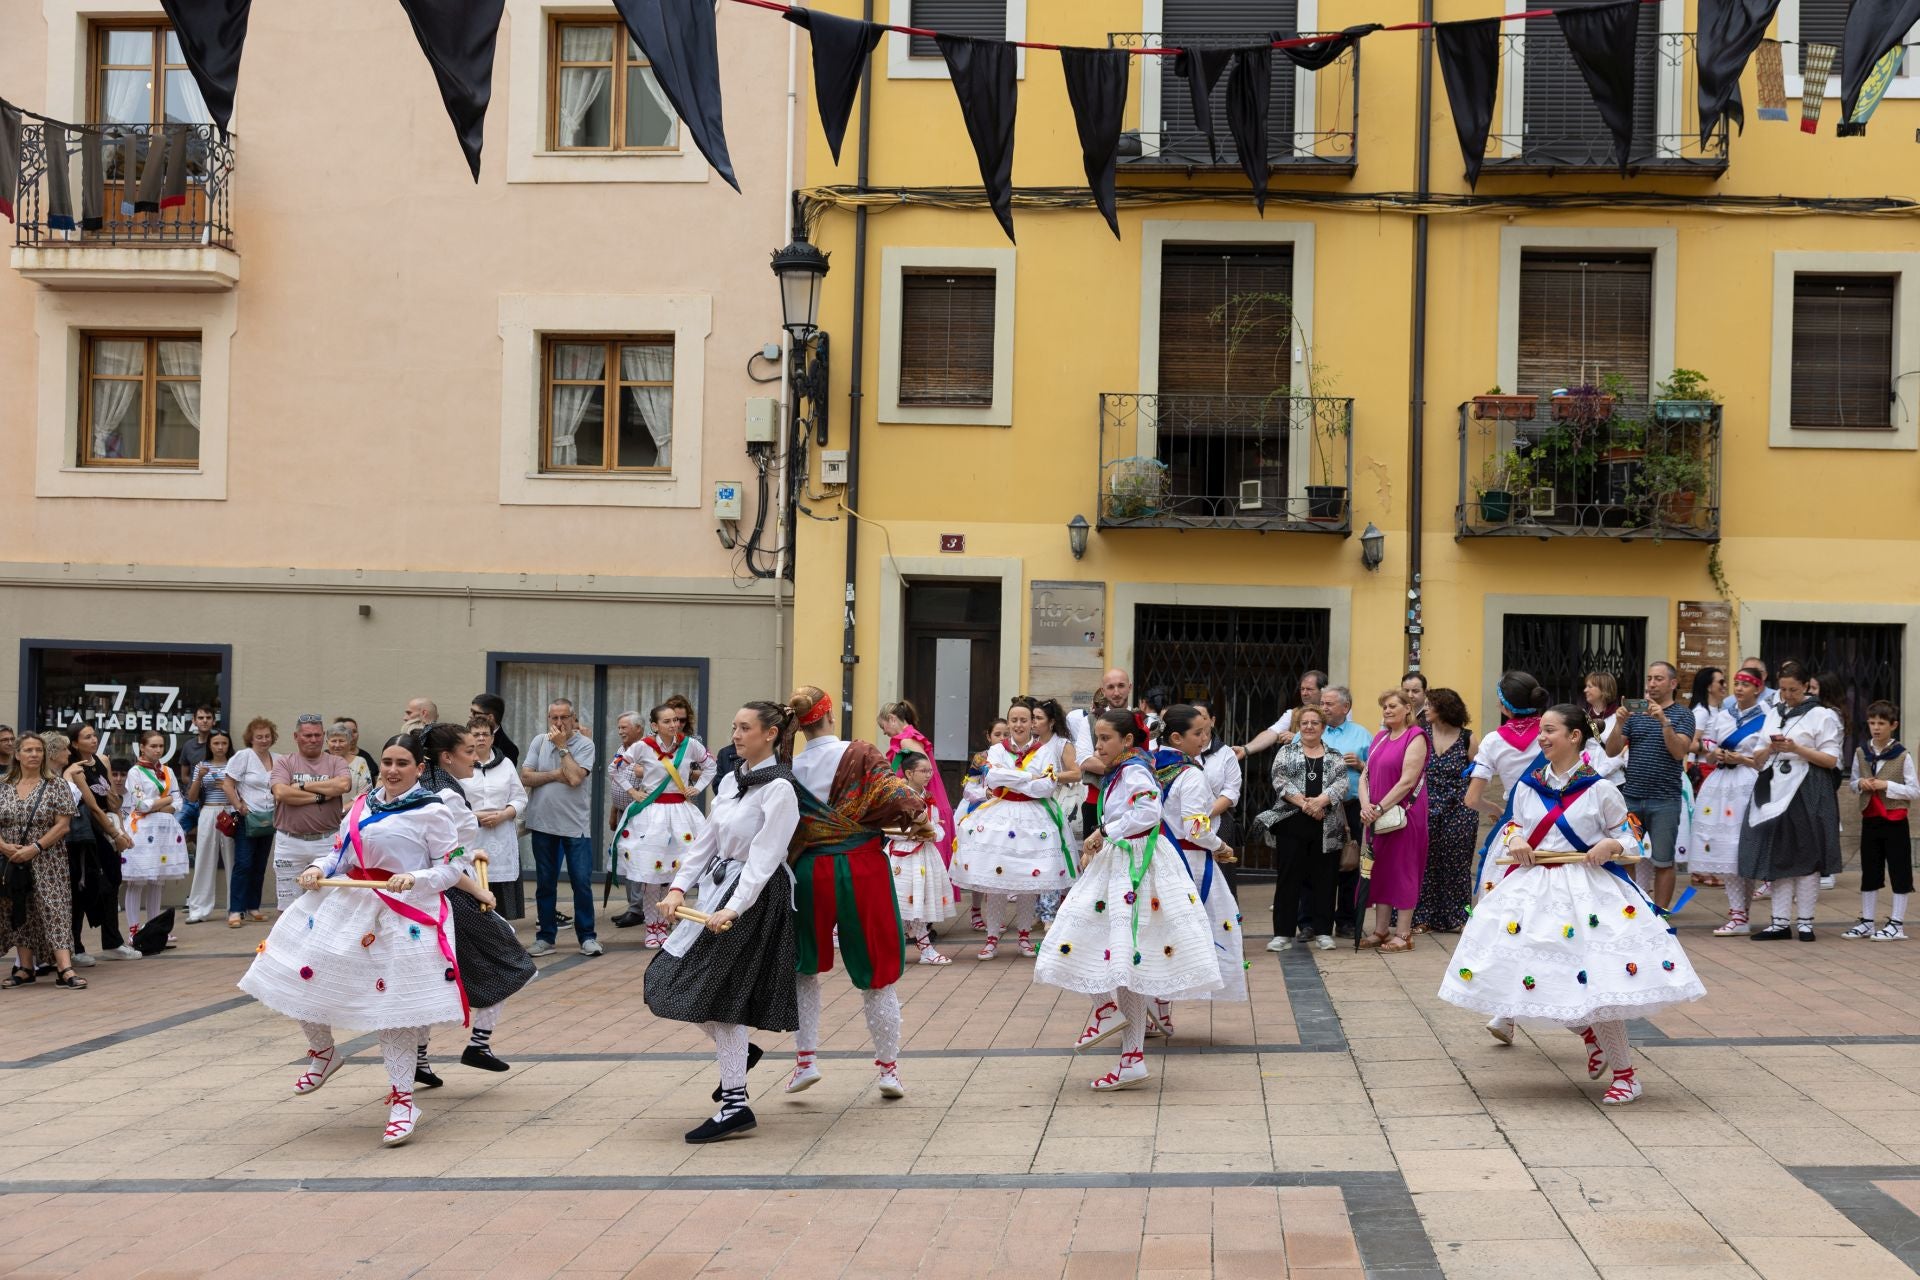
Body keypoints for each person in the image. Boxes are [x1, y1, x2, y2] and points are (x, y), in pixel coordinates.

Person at [1438, 704, 1705, 1106]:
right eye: (1541, 731)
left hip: (1588, 897)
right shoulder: (1529, 786)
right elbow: (1514, 825)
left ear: (1574, 736)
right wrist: (1515, 840)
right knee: (1539, 980)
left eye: (1550, 730)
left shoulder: (1600, 789)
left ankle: (1626, 1076)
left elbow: (1631, 839)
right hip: (1533, 895)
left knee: (1601, 989)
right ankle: (1589, 1035)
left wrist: (1610, 844)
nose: (1542, 737)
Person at [237, 733, 472, 1147]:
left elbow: (452, 867)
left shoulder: (433, 810)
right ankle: (324, 1052)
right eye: (387, 762)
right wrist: (318, 868)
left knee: (394, 1011)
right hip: (354, 902)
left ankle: (403, 1102)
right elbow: (340, 853)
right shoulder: (363, 804)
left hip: (405, 914)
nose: (393, 770)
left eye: (402, 763)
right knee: (299, 970)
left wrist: (414, 878)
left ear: (420, 768)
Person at [1039, 710, 1222, 1089]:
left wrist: (1104, 831)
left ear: (1126, 740)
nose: (1099, 745)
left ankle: (1113, 1022)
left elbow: (1149, 812)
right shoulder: (1123, 770)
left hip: (1134, 865)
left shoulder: (1135, 769)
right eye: (1097, 737)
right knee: (1116, 958)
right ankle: (1128, 1052)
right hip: (1121, 862)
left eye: (1106, 738)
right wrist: (1104, 836)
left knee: (1082, 940)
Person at [646, 703, 802, 1143]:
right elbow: (706, 841)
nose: (735, 734)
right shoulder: (732, 780)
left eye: (745, 728)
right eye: (734, 727)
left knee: (721, 996)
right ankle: (739, 1055)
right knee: (665, 980)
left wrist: (735, 907)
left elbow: (766, 858)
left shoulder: (780, 789)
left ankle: (735, 1105)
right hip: (721, 890)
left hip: (755, 898)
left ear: (770, 734)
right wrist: (678, 887)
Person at [783, 685, 921, 1099]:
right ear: (830, 716)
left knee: (804, 967)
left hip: (810, 869)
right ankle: (889, 1070)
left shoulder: (789, 766)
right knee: (877, 971)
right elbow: (900, 797)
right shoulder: (860, 752)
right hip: (862, 866)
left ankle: (805, 1060)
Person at [415, 723, 537, 1083]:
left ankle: (425, 1057)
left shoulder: (429, 787)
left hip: (431, 892)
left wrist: (470, 853)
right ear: (446, 757)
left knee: (433, 977)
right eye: (468, 751)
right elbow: (443, 858)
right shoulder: (447, 796)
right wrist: (477, 888)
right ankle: (478, 1043)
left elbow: (446, 848)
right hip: (451, 894)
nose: (476, 756)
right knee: (513, 962)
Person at [1464, 671, 1551, 1046]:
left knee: (1507, 921)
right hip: (1555, 833)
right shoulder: (1555, 731)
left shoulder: (1493, 741)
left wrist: (1495, 809)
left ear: (1503, 705)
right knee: (1550, 920)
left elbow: (1471, 798)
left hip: (1513, 836)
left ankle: (1507, 1011)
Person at [952, 698, 1075, 959]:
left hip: (1034, 818)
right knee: (997, 882)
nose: (1019, 725)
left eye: (1024, 720)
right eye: (1014, 720)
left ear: (1032, 723)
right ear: (1008, 723)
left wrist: (1015, 779)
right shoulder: (997, 750)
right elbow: (993, 777)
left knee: (1028, 882)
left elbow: (1046, 786)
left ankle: (1024, 937)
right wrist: (1029, 777)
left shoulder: (1044, 750)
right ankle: (992, 938)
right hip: (1001, 816)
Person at [1742, 662, 1845, 941]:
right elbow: (1757, 758)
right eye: (1783, 690)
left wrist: (1797, 748)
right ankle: (1779, 923)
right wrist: (1769, 748)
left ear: (1806, 686)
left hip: (1808, 788)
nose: (1787, 695)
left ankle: (1806, 923)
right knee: (1779, 854)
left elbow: (1831, 760)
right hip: (1775, 787)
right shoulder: (1773, 713)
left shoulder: (1821, 715)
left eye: (1794, 690)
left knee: (1807, 855)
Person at [1155, 705, 1246, 1020]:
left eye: (1205, 732)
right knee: (1195, 931)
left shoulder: (1150, 765)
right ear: (1176, 738)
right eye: (1198, 733)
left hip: (1158, 857)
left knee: (1160, 932)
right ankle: (1162, 1006)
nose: (1204, 738)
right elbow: (1196, 827)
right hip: (1189, 861)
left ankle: (1156, 1007)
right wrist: (1220, 845)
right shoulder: (1190, 774)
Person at [615, 703, 716, 948]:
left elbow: (711, 766)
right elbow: (614, 768)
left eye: (676, 720)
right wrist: (632, 792)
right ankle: (653, 927)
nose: (673, 725)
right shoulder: (643, 746)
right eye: (667, 721)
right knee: (652, 877)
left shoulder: (689, 745)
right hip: (653, 815)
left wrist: (697, 788)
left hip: (681, 815)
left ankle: (667, 925)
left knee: (676, 874)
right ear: (654, 725)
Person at [1693, 670, 1778, 935]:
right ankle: (1738, 914)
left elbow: (1766, 759)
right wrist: (1716, 753)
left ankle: (1745, 914)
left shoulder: (1767, 717)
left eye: (1745, 685)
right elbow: (1707, 754)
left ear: (1758, 689)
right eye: (1737, 684)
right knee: (1727, 849)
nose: (1739, 689)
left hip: (1749, 783)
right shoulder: (1723, 716)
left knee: (1745, 847)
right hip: (1721, 784)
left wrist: (1740, 759)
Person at [1257, 706, 1347, 952]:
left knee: (1326, 879)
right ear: (1298, 726)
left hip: (1326, 825)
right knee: (1289, 879)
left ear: (1323, 727)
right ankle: (1282, 934)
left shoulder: (1334, 755)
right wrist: (1306, 804)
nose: (1309, 727)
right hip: (1291, 823)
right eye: (1304, 723)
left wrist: (1321, 801)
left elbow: (1342, 782)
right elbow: (1279, 780)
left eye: (1314, 723)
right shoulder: (1286, 752)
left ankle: (1323, 932)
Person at [1, 732, 84, 990]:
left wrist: (35, 848)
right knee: (19, 909)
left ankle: (64, 968)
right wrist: (4, 847)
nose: (34, 754)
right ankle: (25, 968)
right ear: (17, 755)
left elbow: (63, 825)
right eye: (28, 750)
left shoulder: (56, 785)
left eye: (39, 750)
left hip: (48, 860)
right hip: (12, 860)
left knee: (55, 910)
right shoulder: (3, 785)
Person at [520, 698, 599, 957]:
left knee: (581, 882)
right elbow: (526, 776)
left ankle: (587, 937)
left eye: (564, 717)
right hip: (543, 824)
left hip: (575, 827)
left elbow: (575, 778)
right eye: (554, 717)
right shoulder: (539, 741)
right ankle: (545, 938)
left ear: (573, 719)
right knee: (545, 883)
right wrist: (556, 774)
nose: (558, 722)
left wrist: (563, 748)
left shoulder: (585, 744)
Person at [1357, 690, 1430, 952]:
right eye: (1384, 707)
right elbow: (1365, 776)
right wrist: (1366, 805)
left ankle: (1404, 934)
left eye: (1392, 706)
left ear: (1408, 708)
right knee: (1381, 869)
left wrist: (1379, 807)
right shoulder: (1379, 738)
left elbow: (1407, 781)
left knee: (1403, 870)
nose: (1387, 711)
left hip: (1404, 816)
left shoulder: (1416, 737)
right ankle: (1380, 930)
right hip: (1376, 816)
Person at [1845, 699, 1915, 941]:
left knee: (1899, 869)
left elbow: (1914, 790)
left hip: (1895, 818)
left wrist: (1887, 785)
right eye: (1872, 723)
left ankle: (1897, 923)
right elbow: (1853, 783)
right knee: (1870, 869)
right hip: (1871, 817)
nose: (1876, 728)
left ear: (1893, 725)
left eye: (1881, 723)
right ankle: (1867, 921)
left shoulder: (1902, 755)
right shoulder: (1861, 753)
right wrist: (1860, 784)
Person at [269, 715, 354, 913]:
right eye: (307, 735)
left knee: (328, 903)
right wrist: (321, 796)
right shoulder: (284, 762)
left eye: (317, 735)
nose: (313, 740)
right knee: (288, 906)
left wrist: (300, 786)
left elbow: (343, 785)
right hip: (289, 842)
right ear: (296, 737)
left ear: (323, 736)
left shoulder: (336, 762)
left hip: (327, 842)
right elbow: (281, 792)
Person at [66, 723, 134, 960]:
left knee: (113, 880)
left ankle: (112, 941)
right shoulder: (74, 768)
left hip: (109, 825)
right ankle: (75, 946)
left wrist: (122, 830)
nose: (93, 740)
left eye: (94, 735)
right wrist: (115, 834)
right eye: (87, 737)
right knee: (82, 886)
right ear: (75, 743)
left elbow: (113, 800)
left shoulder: (102, 760)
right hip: (87, 831)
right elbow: (92, 806)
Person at [1414, 689, 1476, 934]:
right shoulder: (1420, 734)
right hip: (1425, 806)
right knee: (1424, 862)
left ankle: (1458, 917)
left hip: (1459, 809)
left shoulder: (1467, 738)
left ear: (1444, 709)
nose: (1425, 709)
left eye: (1430, 705)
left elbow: (1478, 774)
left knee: (1457, 864)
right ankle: (1422, 917)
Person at [889, 750, 955, 964]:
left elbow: (936, 825)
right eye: (923, 771)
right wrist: (919, 833)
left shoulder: (927, 797)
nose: (928, 775)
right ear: (909, 773)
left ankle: (920, 949)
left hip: (924, 856)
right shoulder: (899, 795)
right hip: (903, 857)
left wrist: (933, 834)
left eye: (930, 771)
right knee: (901, 902)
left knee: (918, 901)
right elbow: (890, 828)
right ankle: (909, 949)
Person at [121, 729, 188, 934]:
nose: (158, 750)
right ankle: (133, 930)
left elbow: (179, 801)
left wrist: (161, 805)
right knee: (137, 880)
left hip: (164, 828)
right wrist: (167, 800)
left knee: (157, 880)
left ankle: (154, 930)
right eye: (153, 746)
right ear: (142, 747)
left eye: (161, 746)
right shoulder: (135, 772)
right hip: (142, 829)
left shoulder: (168, 771)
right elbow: (141, 805)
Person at [879, 699, 955, 876]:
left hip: (921, 804)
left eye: (883, 727)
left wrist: (901, 784)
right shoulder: (909, 738)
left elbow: (924, 770)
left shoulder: (906, 741)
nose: (884, 732)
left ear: (892, 719)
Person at [465, 716, 529, 919]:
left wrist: (503, 815)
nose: (481, 738)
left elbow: (520, 798)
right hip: (472, 834)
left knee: (501, 893)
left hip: (501, 833)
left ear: (492, 738)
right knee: (473, 886)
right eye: (476, 734)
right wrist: (476, 817)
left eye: (486, 734)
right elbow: (453, 802)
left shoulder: (506, 764)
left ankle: (504, 932)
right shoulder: (461, 765)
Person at [1320, 686, 1372, 930]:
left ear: (1345, 707)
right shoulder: (1311, 729)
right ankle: (1315, 921)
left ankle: (1347, 921)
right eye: (1322, 703)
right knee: (1319, 864)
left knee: (1350, 863)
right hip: (1319, 807)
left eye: (1329, 704)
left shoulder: (1362, 734)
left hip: (1351, 807)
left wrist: (1361, 765)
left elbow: (1377, 770)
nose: (1324, 708)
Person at [221, 717, 279, 927]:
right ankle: (235, 910)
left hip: (269, 818)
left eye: (267, 736)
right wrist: (239, 806)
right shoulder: (243, 756)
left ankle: (253, 907)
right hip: (248, 818)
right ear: (251, 738)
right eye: (259, 737)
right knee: (244, 864)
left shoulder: (278, 759)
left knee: (260, 864)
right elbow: (227, 784)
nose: (264, 740)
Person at [955, 716, 1009, 933]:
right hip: (982, 812)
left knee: (1001, 864)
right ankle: (976, 911)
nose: (1002, 738)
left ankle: (996, 914)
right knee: (980, 863)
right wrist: (985, 793)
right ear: (989, 736)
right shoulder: (981, 759)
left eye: (1006, 734)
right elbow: (968, 790)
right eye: (998, 734)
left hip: (1008, 813)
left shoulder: (1016, 757)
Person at [184, 729, 234, 923]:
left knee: (233, 859)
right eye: (216, 743)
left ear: (229, 745)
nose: (220, 747)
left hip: (230, 811)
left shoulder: (234, 764)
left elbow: (242, 792)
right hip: (208, 811)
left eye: (224, 743)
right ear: (209, 746)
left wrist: (227, 787)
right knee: (204, 859)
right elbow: (191, 798)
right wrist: (198, 778)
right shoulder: (201, 765)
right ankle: (198, 910)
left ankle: (235, 908)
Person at [606, 710, 650, 930]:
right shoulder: (622, 749)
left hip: (640, 815)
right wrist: (614, 811)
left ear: (639, 728)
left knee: (636, 861)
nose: (620, 731)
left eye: (624, 727)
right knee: (625, 860)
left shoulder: (646, 750)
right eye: (619, 727)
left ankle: (637, 909)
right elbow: (617, 781)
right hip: (623, 813)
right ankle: (633, 907)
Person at [1233, 669, 1329, 760]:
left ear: (1323, 691)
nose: (1304, 693)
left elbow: (1333, 743)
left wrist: (1298, 738)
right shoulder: (1293, 714)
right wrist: (1245, 749)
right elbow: (1272, 733)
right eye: (1302, 689)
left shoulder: (1333, 714)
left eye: (1309, 689)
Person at [1581, 673, 1626, 782]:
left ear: (1603, 690)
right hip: (1586, 781)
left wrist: (1597, 775)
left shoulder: (1620, 717)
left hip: (1613, 782)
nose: (1585, 690)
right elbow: (1580, 749)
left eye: (1590, 686)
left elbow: (1621, 753)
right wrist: (1585, 774)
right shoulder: (1583, 716)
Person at [327, 722, 373, 800]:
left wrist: (344, 807)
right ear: (327, 743)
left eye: (341, 741)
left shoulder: (360, 763)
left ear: (349, 743)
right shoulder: (321, 762)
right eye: (333, 741)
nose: (337, 745)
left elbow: (365, 794)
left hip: (354, 807)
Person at [471, 694, 519, 765]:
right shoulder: (463, 736)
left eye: (475, 713)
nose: (470, 716)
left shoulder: (509, 749)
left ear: (490, 717)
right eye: (471, 712)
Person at [337, 717, 379, 784]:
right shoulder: (330, 756)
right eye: (347, 732)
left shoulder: (365, 757)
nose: (352, 735)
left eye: (354, 731)